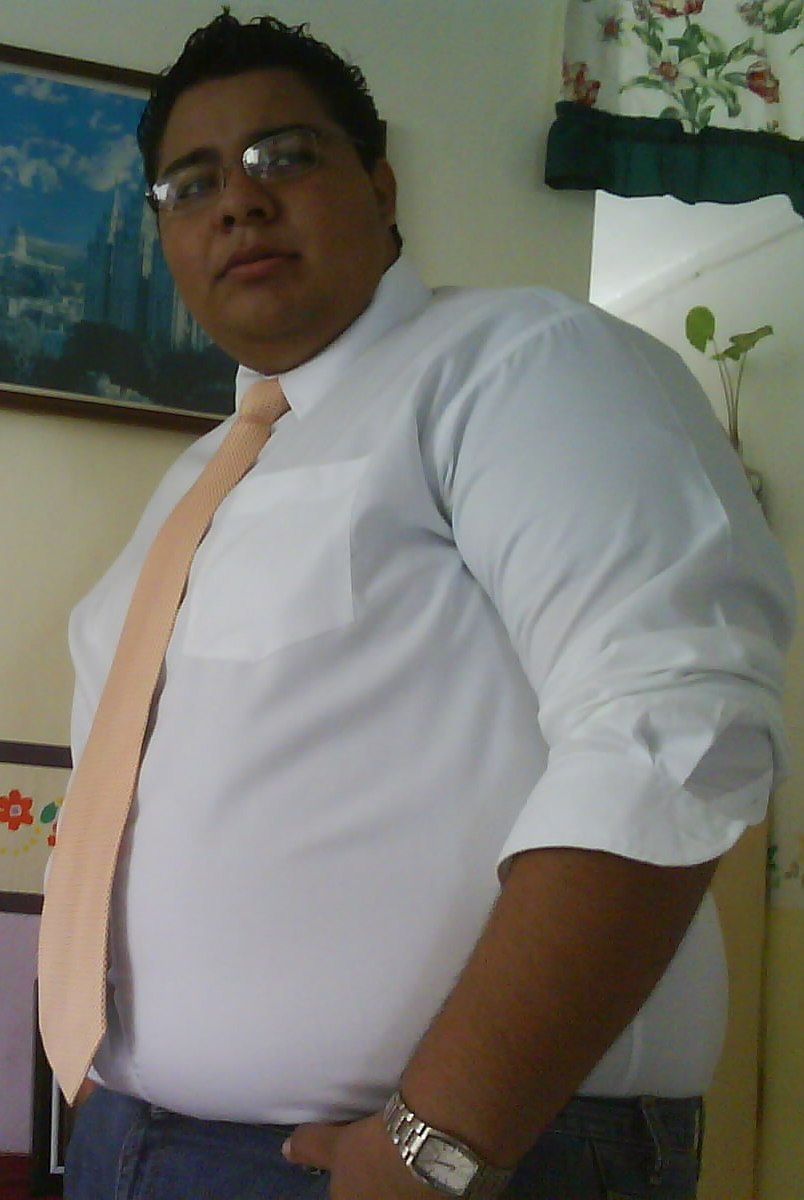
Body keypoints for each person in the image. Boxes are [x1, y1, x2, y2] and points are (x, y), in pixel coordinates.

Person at [50, 10, 794, 1200]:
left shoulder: (517, 361)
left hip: (429, 1162)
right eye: (191, 184)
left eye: (285, 156)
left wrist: (438, 1143)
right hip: (137, 1144)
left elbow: (677, 725)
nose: (238, 202)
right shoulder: (196, 484)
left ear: (382, 186)